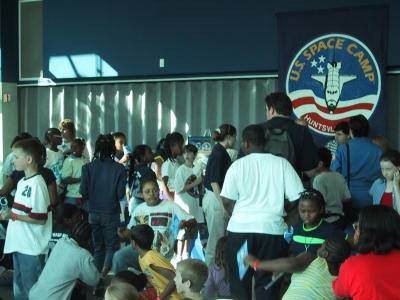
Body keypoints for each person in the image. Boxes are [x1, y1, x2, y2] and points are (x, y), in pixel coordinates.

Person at [220, 124, 304, 300]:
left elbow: (227, 200)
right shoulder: (282, 164)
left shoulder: (237, 166)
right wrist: (286, 220)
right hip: (271, 234)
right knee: (268, 285)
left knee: (240, 284)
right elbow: (299, 199)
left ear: (245, 144)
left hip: (240, 234)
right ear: (265, 143)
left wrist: (240, 216)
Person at [1, 138, 52, 300]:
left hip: (31, 247)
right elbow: (20, 211)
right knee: (19, 290)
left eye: (16, 157)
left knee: (32, 291)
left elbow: (40, 219)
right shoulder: (22, 181)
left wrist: (13, 215)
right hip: (19, 244)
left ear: (28, 159)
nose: (13, 160)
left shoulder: (37, 184)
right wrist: (8, 213)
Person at [112, 178, 196, 273]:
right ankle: (121, 285)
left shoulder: (170, 206)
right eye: (147, 192)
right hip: (141, 251)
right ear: (141, 194)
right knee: (119, 257)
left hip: (161, 254)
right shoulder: (139, 209)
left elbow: (192, 219)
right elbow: (130, 232)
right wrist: (122, 233)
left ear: (159, 191)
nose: (151, 194)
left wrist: (185, 223)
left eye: (155, 191)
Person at [80, 134, 127, 278]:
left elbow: (83, 191)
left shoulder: (87, 167)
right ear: (113, 148)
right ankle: (103, 275)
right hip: (111, 213)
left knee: (97, 247)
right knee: (111, 246)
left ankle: (94, 277)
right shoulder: (119, 168)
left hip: (93, 213)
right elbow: (120, 194)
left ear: (97, 148)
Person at [246, 236, 351, 300]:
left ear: (324, 253)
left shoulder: (313, 258)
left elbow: (293, 264)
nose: (319, 247)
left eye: (322, 246)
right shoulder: (344, 279)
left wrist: (257, 264)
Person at [333, 206, 400, 299]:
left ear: (366, 234)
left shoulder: (352, 266)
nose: (355, 231)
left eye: (357, 227)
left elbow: (338, 293)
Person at [29, 221, 100, 300]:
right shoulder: (82, 255)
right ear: (89, 240)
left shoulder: (61, 242)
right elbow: (95, 280)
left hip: (35, 294)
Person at [260, 92, 318, 178]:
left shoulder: (257, 130)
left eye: (266, 109)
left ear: (271, 109)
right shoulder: (302, 131)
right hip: (292, 188)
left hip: (261, 188)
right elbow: (310, 171)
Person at [331, 114, 382, 209]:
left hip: (348, 197)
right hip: (372, 197)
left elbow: (334, 173)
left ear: (350, 131)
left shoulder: (343, 149)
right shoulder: (377, 150)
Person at [203, 123, 236, 266]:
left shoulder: (220, 151)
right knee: (215, 241)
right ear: (229, 137)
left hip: (216, 198)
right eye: (234, 137)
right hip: (215, 198)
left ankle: (217, 275)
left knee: (218, 239)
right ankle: (209, 278)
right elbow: (214, 182)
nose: (236, 140)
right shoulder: (218, 153)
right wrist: (223, 206)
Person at [132, 224, 181, 300]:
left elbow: (175, 278)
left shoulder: (150, 258)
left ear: (133, 243)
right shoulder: (142, 257)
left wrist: (160, 298)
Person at [174, 144, 205, 261]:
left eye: (190, 152)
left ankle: (187, 256)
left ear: (195, 155)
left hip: (195, 208)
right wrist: (195, 183)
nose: (187, 155)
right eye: (185, 152)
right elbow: (178, 188)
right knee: (182, 235)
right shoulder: (180, 170)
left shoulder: (197, 169)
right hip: (184, 209)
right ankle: (178, 258)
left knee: (191, 236)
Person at [312, 147, 351, 227]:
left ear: (320, 163)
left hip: (325, 221)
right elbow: (347, 198)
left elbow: (319, 202)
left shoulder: (318, 179)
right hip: (340, 219)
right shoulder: (339, 176)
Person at [127, 144, 156, 215]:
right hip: (143, 204)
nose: (152, 154)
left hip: (133, 203)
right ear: (143, 157)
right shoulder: (147, 171)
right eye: (149, 152)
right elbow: (152, 190)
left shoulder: (133, 170)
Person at [61, 138, 89, 208]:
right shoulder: (68, 160)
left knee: (86, 218)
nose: (73, 149)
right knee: (71, 217)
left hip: (85, 196)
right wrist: (80, 179)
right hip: (72, 196)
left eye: (76, 147)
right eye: (72, 147)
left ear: (82, 148)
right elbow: (65, 180)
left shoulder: (86, 160)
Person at [161, 132, 185, 201]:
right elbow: (163, 184)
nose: (183, 147)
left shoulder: (176, 162)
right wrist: (172, 200)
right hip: (172, 199)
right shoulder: (168, 164)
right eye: (180, 145)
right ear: (172, 146)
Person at [43, 128, 64, 194]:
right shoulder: (45, 153)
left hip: (61, 189)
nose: (61, 138)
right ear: (51, 137)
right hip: (50, 190)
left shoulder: (61, 152)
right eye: (59, 136)